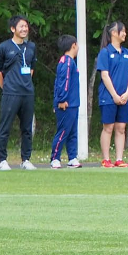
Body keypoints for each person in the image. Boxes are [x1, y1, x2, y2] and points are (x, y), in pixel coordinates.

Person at [0, 15, 38, 171]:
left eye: (26, 26)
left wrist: (25, 83)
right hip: (11, 93)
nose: (24, 29)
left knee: (27, 128)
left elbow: (31, 68)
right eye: (21, 26)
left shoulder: (31, 47)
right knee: (5, 127)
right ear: (13, 29)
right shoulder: (4, 47)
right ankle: (2, 160)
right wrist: (7, 87)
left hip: (27, 93)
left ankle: (26, 159)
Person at [96, 21, 128, 168]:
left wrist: (127, 93)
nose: (125, 33)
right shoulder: (105, 52)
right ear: (114, 33)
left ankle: (119, 159)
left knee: (121, 128)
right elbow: (105, 75)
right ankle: (106, 159)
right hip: (108, 97)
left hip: (125, 97)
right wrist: (114, 95)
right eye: (122, 31)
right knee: (108, 127)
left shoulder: (127, 53)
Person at [50, 34, 81, 169]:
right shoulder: (67, 62)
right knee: (63, 131)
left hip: (73, 103)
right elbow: (63, 82)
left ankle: (72, 157)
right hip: (66, 104)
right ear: (73, 45)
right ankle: (55, 158)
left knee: (72, 131)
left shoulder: (70, 62)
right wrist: (61, 100)